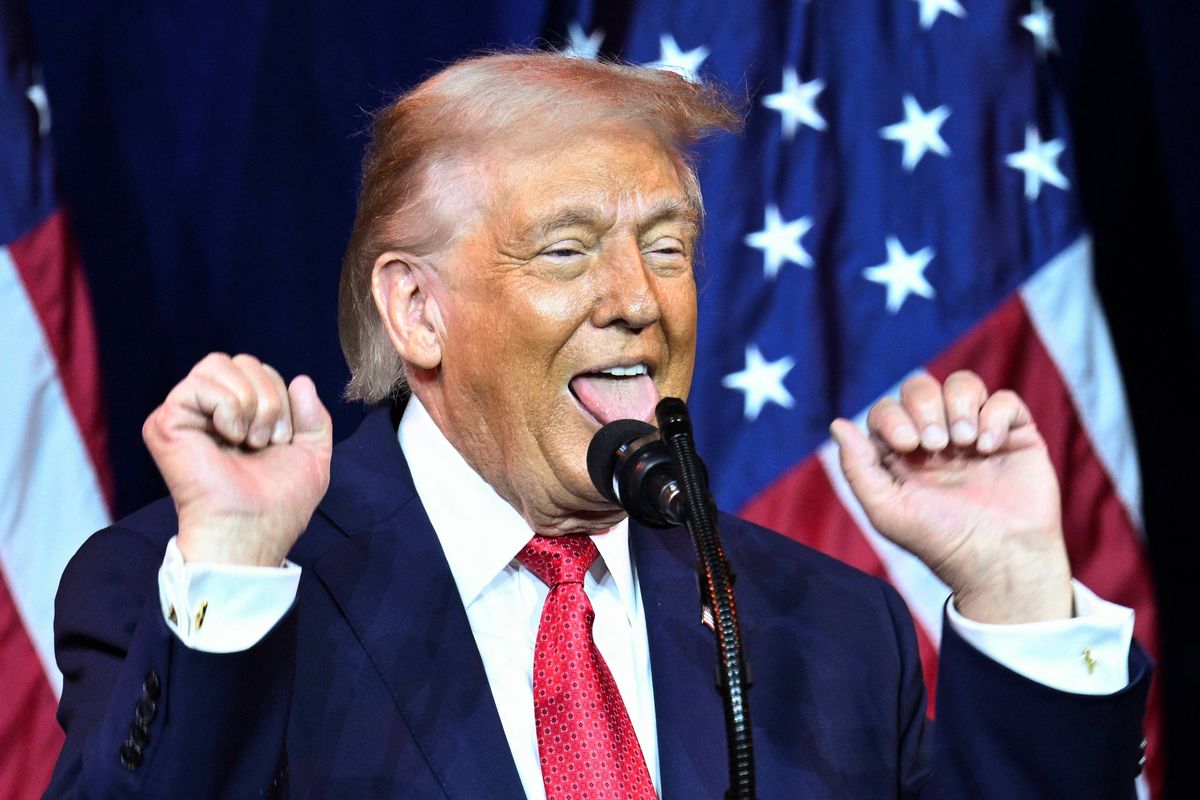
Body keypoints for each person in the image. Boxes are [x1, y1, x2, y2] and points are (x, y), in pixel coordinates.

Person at [46, 52, 1149, 799]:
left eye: (667, 247)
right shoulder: (210, 596)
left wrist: (1015, 590)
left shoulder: (829, 632)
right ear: (417, 309)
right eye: (566, 249)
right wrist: (234, 572)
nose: (638, 298)